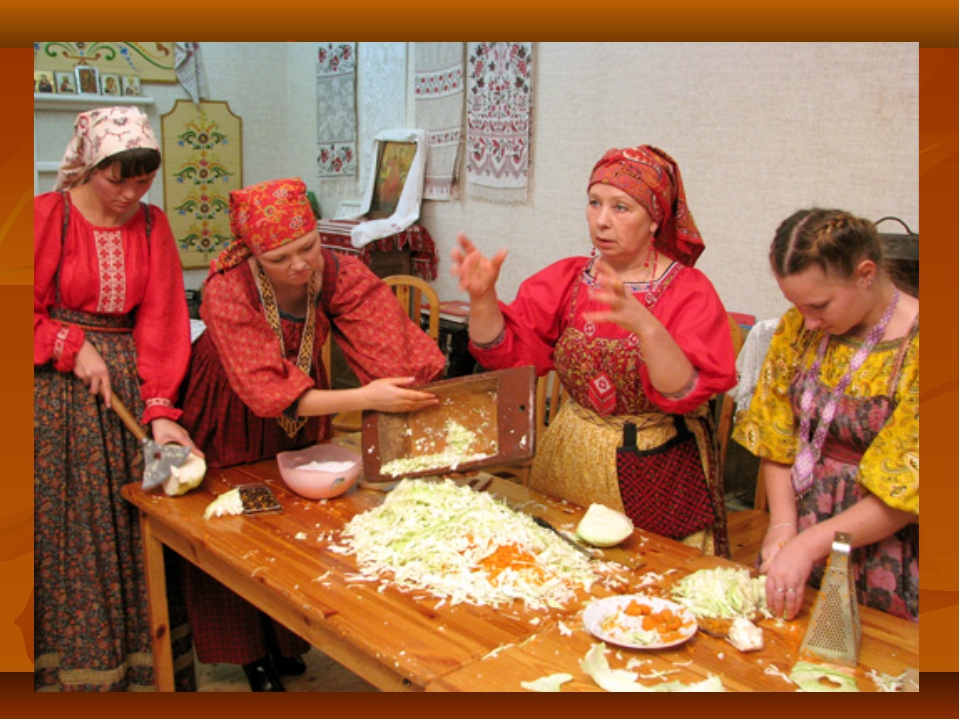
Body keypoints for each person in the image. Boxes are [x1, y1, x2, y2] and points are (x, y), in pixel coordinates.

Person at [178, 177, 446, 691]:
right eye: (281, 259)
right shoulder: (225, 290)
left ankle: (283, 640)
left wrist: (421, 402)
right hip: (229, 403)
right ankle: (248, 655)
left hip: (307, 402)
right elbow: (264, 391)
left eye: (308, 248)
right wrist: (366, 399)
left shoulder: (336, 271)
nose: (301, 267)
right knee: (236, 527)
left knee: (294, 524)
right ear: (253, 254)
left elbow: (389, 342)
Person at [451, 145, 737, 555]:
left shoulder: (688, 291)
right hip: (569, 455)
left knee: (646, 581)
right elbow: (507, 352)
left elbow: (683, 393)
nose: (602, 220)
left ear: (655, 220)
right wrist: (483, 299)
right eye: (594, 203)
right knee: (560, 567)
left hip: (653, 464)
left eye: (621, 208)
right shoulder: (569, 279)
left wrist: (646, 327)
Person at [34, 106, 201, 691]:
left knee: (140, 523)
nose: (131, 194)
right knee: (74, 529)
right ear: (86, 165)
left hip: (129, 387)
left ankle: (144, 675)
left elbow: (162, 319)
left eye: (143, 180)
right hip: (52, 399)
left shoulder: (153, 227)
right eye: (116, 179)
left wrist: (159, 412)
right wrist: (66, 342)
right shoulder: (45, 217)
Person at [733, 208, 919, 622]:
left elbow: (907, 492)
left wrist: (808, 544)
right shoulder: (799, 326)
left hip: (887, 542)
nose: (809, 321)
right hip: (806, 526)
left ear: (865, 273)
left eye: (820, 304)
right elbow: (775, 433)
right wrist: (784, 526)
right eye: (797, 305)